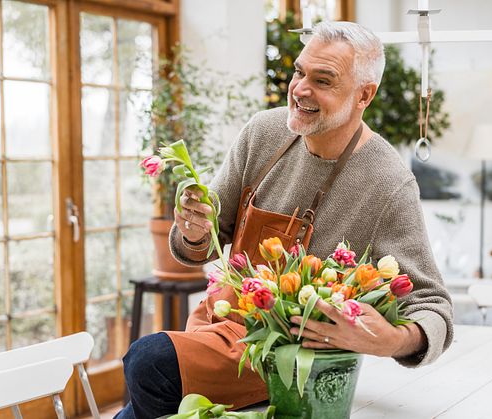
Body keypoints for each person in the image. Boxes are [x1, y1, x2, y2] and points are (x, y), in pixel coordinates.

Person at [116, 21, 453, 419]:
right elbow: (206, 241)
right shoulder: (263, 132)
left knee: (149, 362)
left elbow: (433, 306)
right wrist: (193, 232)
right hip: (218, 329)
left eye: (323, 80)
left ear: (365, 94)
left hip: (292, 360)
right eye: (299, 72)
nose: (301, 89)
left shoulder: (387, 183)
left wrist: (391, 340)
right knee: (145, 389)